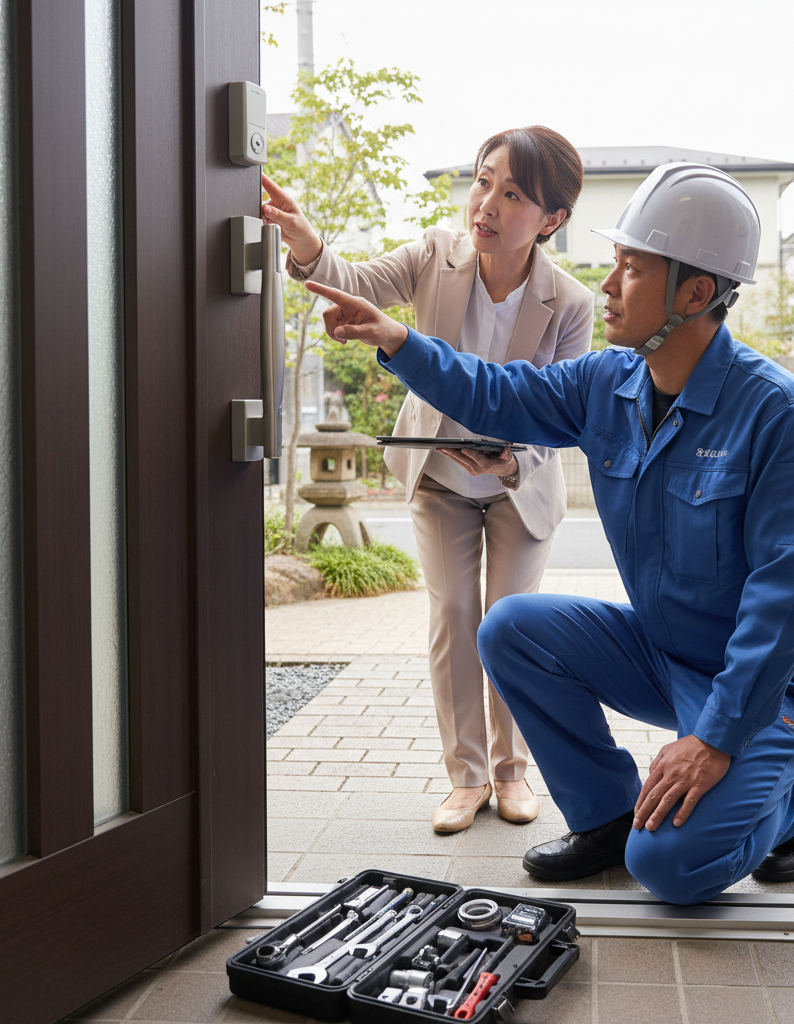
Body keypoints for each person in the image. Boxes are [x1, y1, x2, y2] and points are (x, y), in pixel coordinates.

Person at [303, 162, 794, 905]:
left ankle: (792, 795)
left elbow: (788, 596)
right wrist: (398, 339)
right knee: (512, 626)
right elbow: (495, 391)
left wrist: (715, 739)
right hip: (666, 651)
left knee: (671, 868)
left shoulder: (781, 415)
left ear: (695, 293)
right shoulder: (607, 384)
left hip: (772, 679)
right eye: (615, 262)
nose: (609, 283)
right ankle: (607, 815)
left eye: (632, 267)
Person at [261, 127, 593, 833]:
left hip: (518, 488)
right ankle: (466, 777)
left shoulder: (569, 303)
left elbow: (564, 415)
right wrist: (305, 242)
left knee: (513, 626)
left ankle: (512, 771)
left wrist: (507, 461)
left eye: (512, 193)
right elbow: (353, 283)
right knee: (452, 620)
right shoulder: (429, 257)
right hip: (439, 475)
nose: (487, 204)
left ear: (552, 219)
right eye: (482, 181)